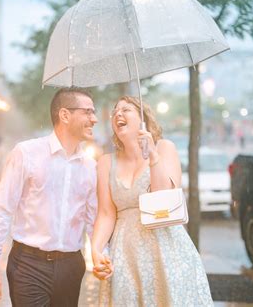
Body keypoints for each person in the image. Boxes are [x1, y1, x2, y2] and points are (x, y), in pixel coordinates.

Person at [91, 96, 213, 306]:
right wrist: (96, 250)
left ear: (143, 119)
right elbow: (106, 214)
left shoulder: (165, 148)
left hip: (166, 249)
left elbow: (163, 196)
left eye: (126, 109)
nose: (118, 114)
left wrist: (154, 157)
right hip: (125, 253)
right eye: (115, 112)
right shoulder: (105, 162)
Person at [0, 88, 98, 306]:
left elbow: (93, 219)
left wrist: (101, 253)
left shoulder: (90, 166)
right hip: (28, 265)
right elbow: (2, 210)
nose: (95, 119)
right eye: (88, 112)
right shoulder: (26, 153)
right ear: (64, 115)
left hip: (72, 266)